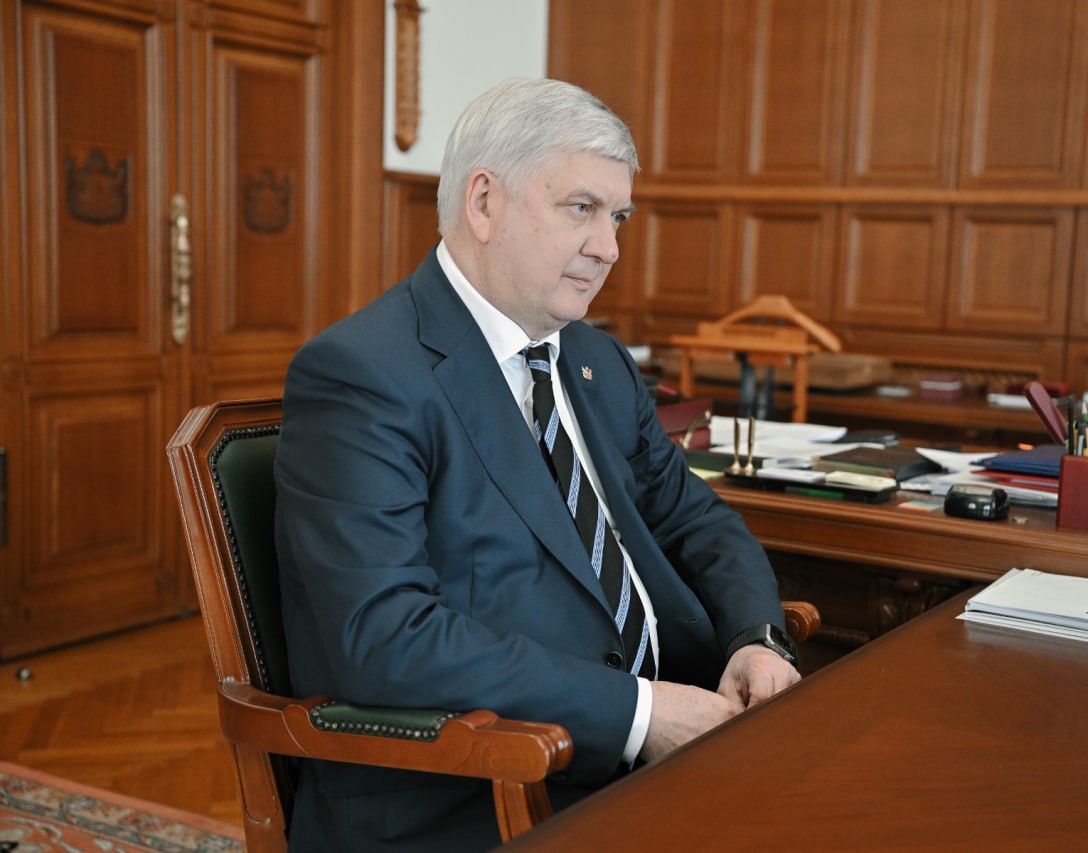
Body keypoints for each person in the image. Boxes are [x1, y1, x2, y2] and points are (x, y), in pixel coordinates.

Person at [274, 77, 799, 851]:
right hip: (481, 789)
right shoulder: (363, 374)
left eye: (618, 217)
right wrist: (639, 714)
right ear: (484, 202)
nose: (609, 247)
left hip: (664, 749)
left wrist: (757, 637)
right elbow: (386, 637)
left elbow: (699, 521)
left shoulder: (595, 361)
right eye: (581, 208)